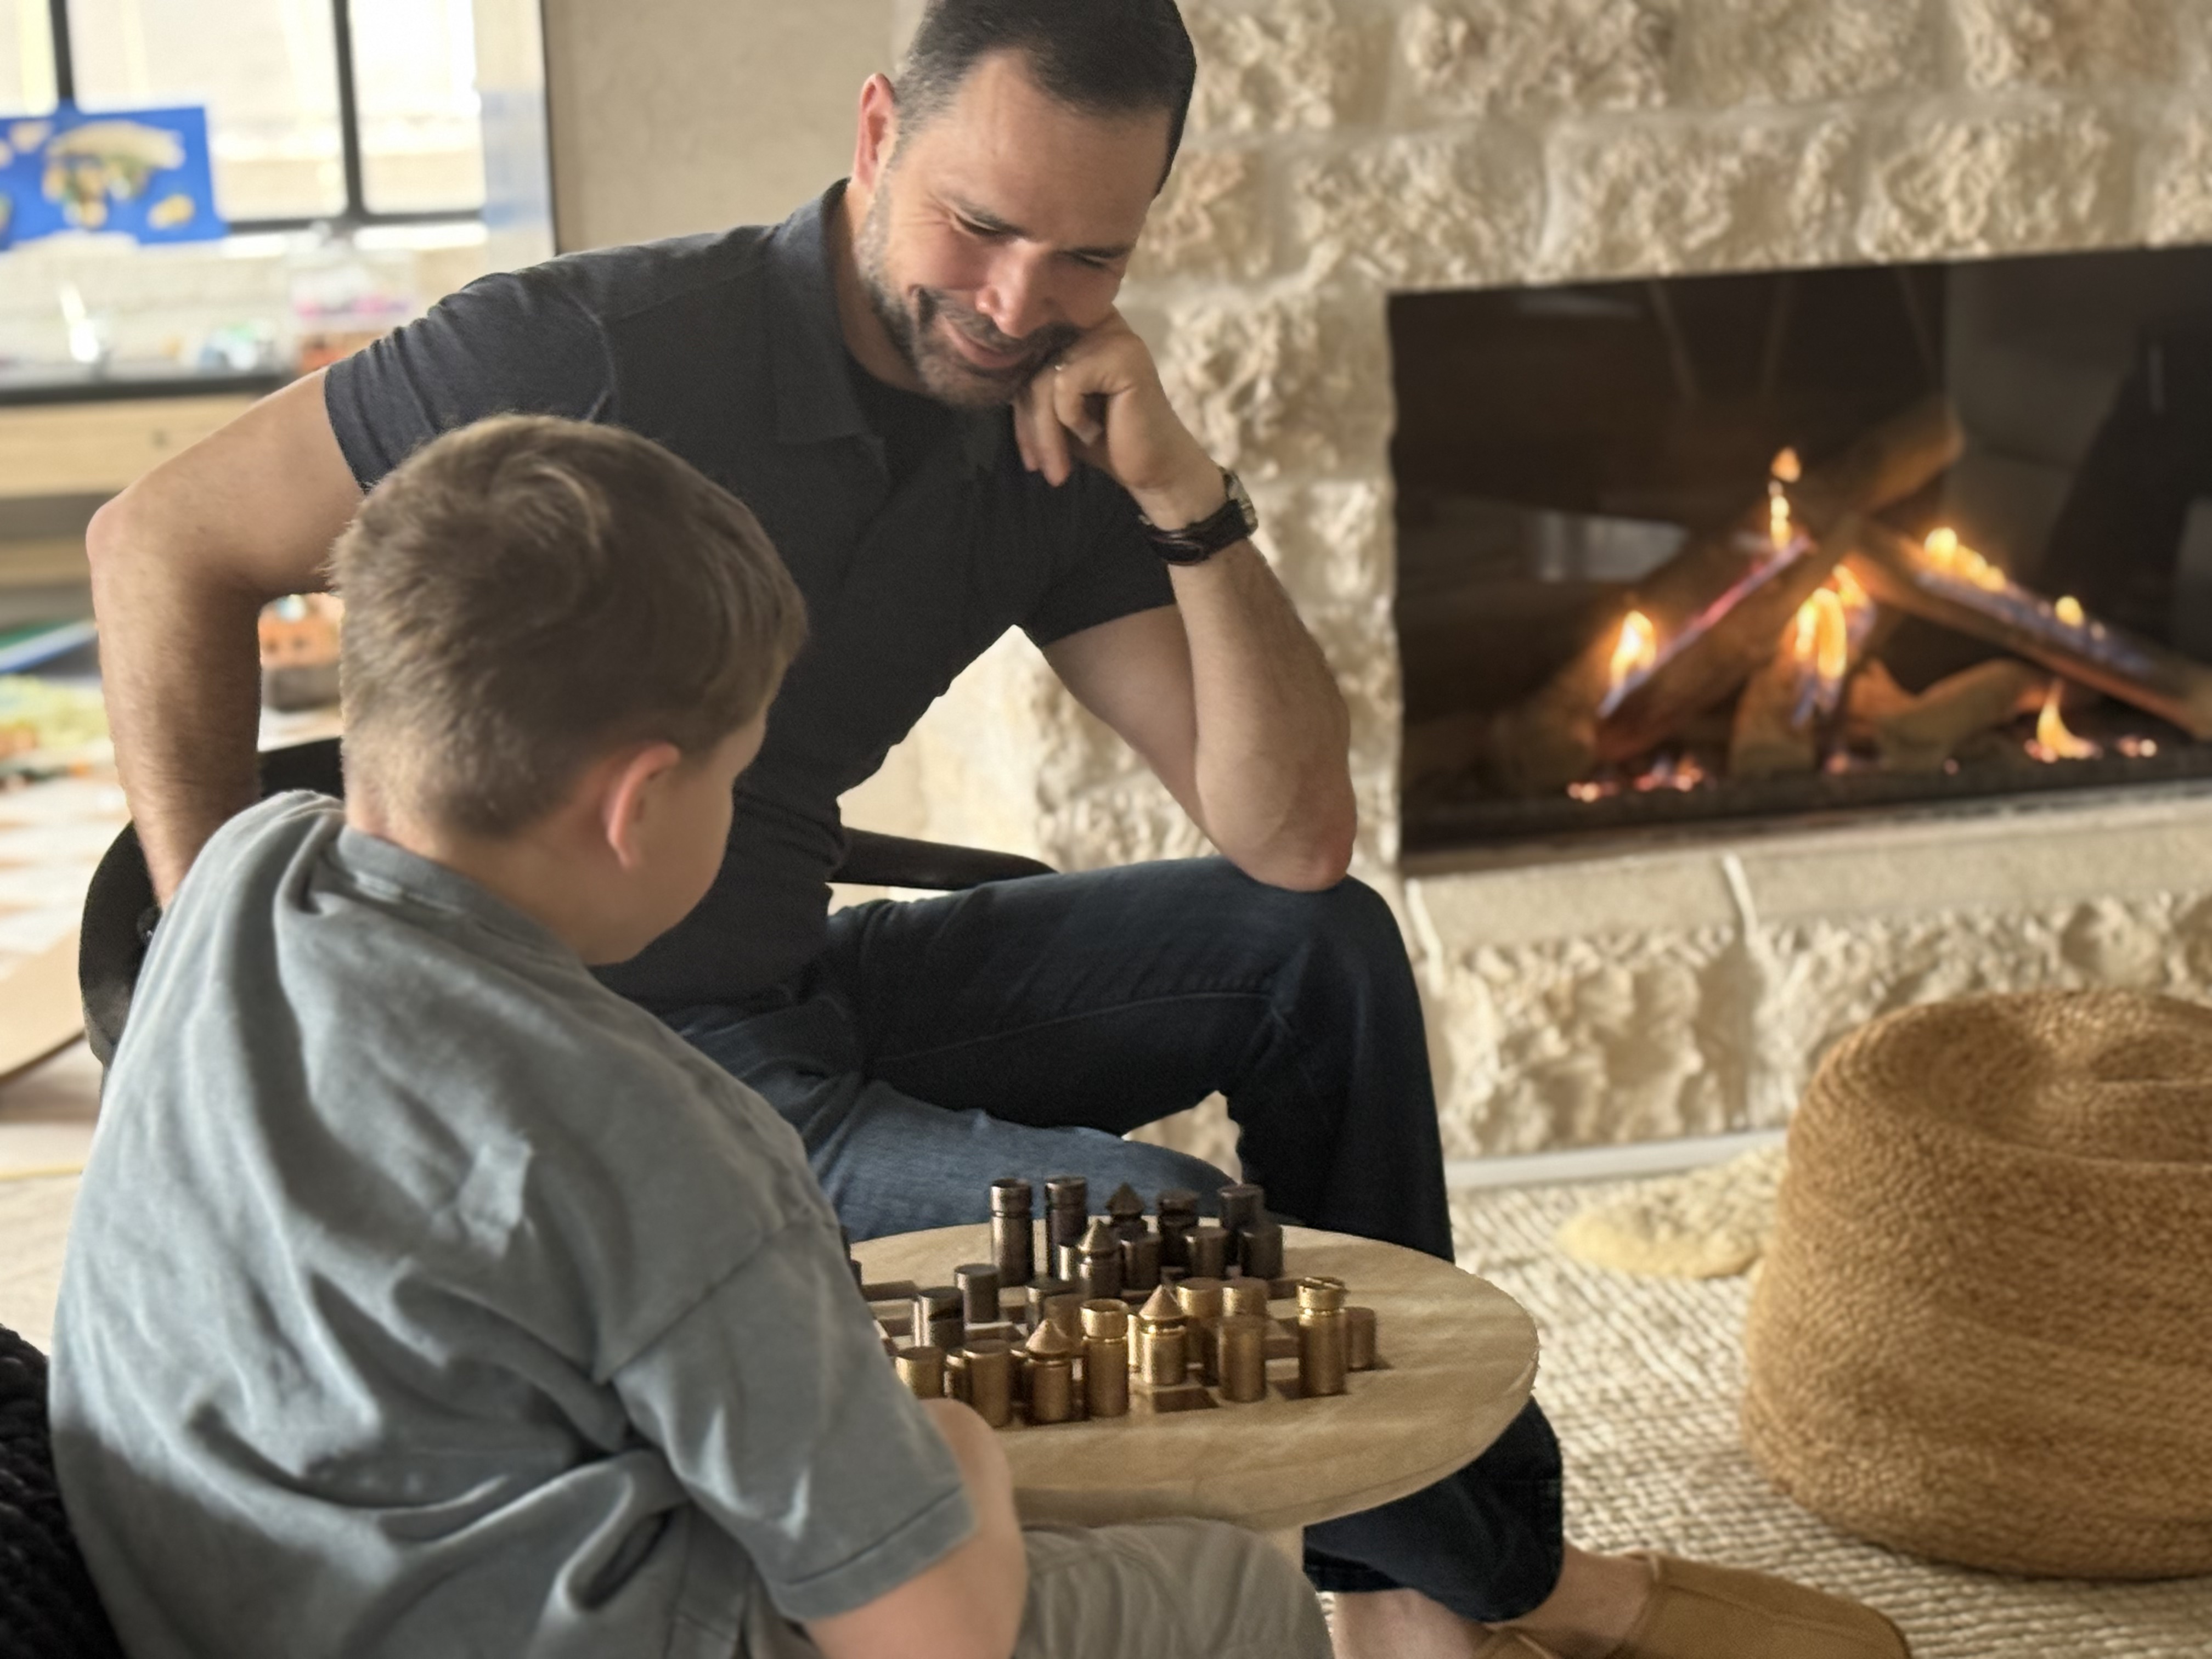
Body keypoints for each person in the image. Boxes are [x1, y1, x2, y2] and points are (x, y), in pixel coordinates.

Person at [82, 1, 1910, 1654]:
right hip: (630, 1062)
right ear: (877, 133)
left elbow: (1286, 837)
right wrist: (213, 993)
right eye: (979, 223)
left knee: (1313, 953)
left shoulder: (1053, 425)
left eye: (1088, 251)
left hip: (791, 968)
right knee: (1179, 1255)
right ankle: (1528, 1590)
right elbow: (160, 539)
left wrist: (1189, 501)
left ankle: (1405, 1603)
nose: (1020, 296)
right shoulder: (603, 349)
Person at [50, 416, 1333, 1659]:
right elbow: (935, 1634)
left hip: (252, 1596)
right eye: (735, 776)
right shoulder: (666, 1135)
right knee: (1220, 1578)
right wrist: (951, 1450)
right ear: (641, 802)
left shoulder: (238, 884)